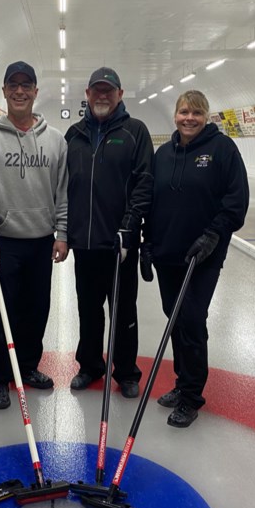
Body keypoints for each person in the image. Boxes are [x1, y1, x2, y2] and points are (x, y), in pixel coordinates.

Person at [141, 89, 249, 427]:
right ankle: (181, 382)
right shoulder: (163, 155)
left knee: (190, 320)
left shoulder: (223, 150)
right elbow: (152, 202)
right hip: (168, 254)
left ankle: (191, 396)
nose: (190, 118)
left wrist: (214, 234)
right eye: (185, 112)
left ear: (206, 117)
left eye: (197, 113)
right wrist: (147, 244)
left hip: (202, 257)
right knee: (174, 318)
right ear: (176, 115)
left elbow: (236, 200)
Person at [0, 61, 69, 410]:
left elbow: (62, 193)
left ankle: (26, 367)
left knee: (36, 309)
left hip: (42, 240)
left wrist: (62, 232)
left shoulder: (56, 141)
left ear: (35, 92)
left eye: (26, 85)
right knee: (0, 312)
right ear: (4, 91)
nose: (19, 91)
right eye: (13, 85)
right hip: (6, 241)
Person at [65, 67, 153, 398]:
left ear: (120, 94)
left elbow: (145, 182)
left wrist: (131, 224)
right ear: (87, 94)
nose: (102, 96)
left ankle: (126, 371)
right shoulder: (73, 135)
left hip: (120, 245)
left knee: (123, 312)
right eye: (96, 90)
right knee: (88, 311)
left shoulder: (135, 132)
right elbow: (63, 186)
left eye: (109, 91)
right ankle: (89, 366)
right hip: (85, 244)